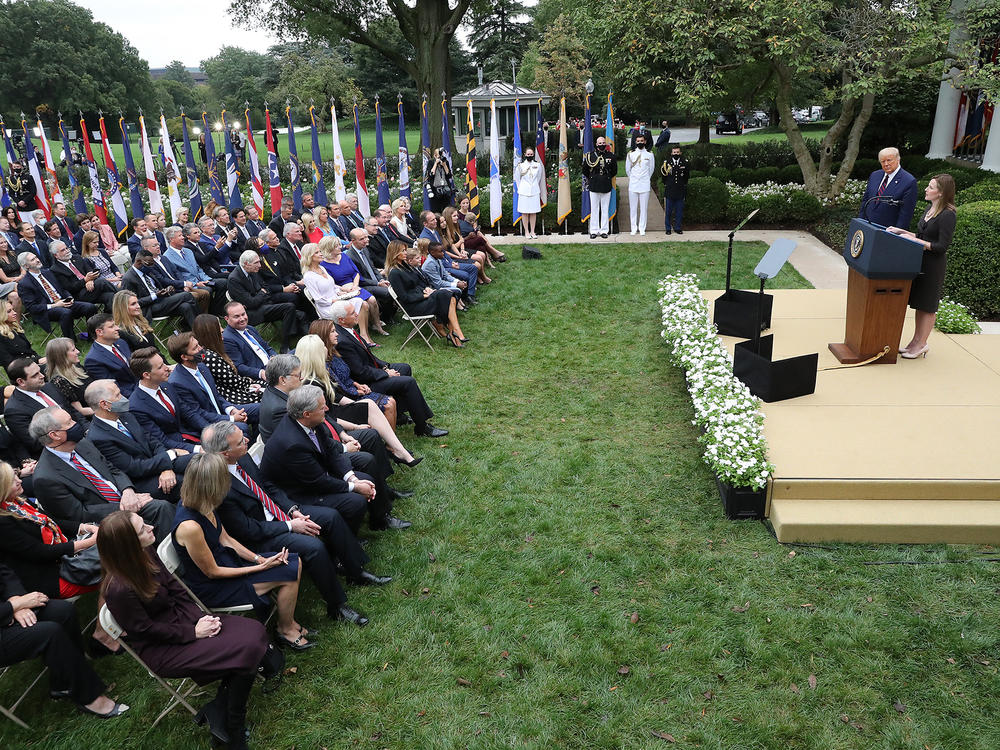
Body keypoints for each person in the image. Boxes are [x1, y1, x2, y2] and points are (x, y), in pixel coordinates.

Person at [98, 510, 267, 747]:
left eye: (145, 523)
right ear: (127, 545)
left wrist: (199, 620)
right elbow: (145, 631)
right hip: (162, 648)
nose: (151, 527)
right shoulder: (118, 590)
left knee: (254, 631)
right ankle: (232, 725)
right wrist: (193, 633)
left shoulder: (145, 553)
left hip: (185, 620)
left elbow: (176, 589)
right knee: (247, 649)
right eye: (141, 529)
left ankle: (218, 711)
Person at [203, 421, 382, 627]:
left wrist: (292, 511)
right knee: (314, 548)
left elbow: (267, 486)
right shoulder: (220, 486)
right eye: (240, 442)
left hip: (279, 514)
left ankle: (355, 571)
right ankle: (337, 606)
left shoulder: (241, 458)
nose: (247, 440)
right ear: (225, 454)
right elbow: (248, 530)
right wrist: (290, 526)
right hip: (262, 535)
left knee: (331, 517)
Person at [171, 453, 311, 645]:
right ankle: (285, 629)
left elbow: (226, 539)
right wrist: (260, 568)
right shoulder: (190, 527)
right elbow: (212, 572)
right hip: (215, 586)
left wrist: (258, 559)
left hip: (229, 563)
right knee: (289, 572)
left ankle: (287, 623)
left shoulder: (204, 502)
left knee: (293, 562)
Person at [259, 386, 407, 533]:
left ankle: (380, 519)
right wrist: (354, 487)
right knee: (356, 499)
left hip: (316, 474)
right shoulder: (292, 443)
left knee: (366, 476)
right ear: (307, 414)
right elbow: (318, 481)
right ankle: (347, 540)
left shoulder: (311, 422)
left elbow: (331, 452)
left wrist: (353, 479)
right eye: (322, 407)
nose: (327, 409)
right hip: (300, 491)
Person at [0, 556, 126, 718]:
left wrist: (15, 598)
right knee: (50, 633)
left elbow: (3, 571)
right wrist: (14, 606)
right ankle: (89, 697)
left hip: (8, 608)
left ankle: (64, 682)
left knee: (63, 612)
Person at [29, 406, 174, 539]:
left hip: (126, 497)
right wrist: (124, 506)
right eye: (69, 423)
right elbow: (79, 513)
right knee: (161, 509)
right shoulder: (46, 477)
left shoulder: (83, 444)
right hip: (105, 520)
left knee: (167, 503)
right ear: (55, 435)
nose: (76, 424)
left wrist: (128, 491)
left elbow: (112, 469)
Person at [330, 298, 448, 437]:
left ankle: (398, 415)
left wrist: (385, 367)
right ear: (341, 320)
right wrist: (385, 374)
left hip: (370, 372)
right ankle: (422, 426)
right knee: (408, 383)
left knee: (404, 368)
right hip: (364, 385)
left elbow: (370, 356)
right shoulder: (342, 341)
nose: (357, 314)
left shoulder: (348, 330)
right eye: (352, 313)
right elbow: (360, 372)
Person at [887, 174, 957, 359]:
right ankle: (914, 342)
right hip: (920, 262)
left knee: (928, 306)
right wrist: (902, 232)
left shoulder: (948, 214)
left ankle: (922, 344)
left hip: (933, 265)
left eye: (931, 187)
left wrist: (915, 241)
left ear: (941, 193)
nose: (926, 189)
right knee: (920, 304)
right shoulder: (929, 208)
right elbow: (921, 235)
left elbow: (941, 246)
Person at [84, 379, 189, 500]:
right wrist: (170, 454)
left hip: (158, 463)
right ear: (104, 404)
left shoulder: (125, 415)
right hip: (143, 480)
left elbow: (153, 441)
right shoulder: (98, 437)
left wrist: (166, 466)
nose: (124, 398)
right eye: (118, 395)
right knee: (190, 482)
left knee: (199, 462)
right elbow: (134, 468)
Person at [166, 332, 255, 435]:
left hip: (222, 412)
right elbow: (198, 413)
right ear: (184, 357)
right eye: (195, 348)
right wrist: (231, 418)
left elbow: (216, 395)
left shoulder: (202, 366)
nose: (201, 349)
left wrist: (231, 410)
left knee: (263, 409)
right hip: (209, 424)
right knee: (241, 428)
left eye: (198, 344)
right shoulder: (177, 383)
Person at [386, 243, 468, 347]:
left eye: (405, 250)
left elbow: (416, 285)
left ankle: (455, 333)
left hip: (421, 299)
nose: (405, 252)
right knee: (445, 294)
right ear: (395, 253)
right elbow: (404, 297)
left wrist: (426, 290)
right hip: (414, 306)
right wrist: (424, 296)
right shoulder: (394, 273)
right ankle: (455, 333)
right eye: (403, 251)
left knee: (449, 296)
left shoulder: (405, 267)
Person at [227, 250, 306, 354]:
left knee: (301, 314)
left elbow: (266, 288)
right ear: (246, 264)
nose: (260, 265)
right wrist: (261, 294)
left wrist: (260, 294)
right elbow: (251, 303)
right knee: (289, 307)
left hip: (263, 305)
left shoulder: (252, 272)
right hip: (252, 313)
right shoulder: (234, 279)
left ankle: (304, 340)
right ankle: (285, 345)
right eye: (256, 263)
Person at [128, 347, 201, 452]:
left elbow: (189, 413)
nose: (167, 367)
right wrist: (196, 449)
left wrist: (210, 429)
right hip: (179, 449)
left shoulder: (166, 385)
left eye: (163, 363)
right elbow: (162, 440)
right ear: (146, 375)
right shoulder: (136, 407)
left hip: (193, 434)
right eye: (160, 367)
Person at [4, 358, 79, 457]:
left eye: (39, 371)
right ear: (21, 381)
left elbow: (72, 411)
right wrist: (74, 436)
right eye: (35, 375)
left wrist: (87, 430)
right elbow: (35, 443)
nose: (42, 376)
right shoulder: (14, 411)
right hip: (61, 453)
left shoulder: (48, 387)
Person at [17, 251, 98, 339]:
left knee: (90, 307)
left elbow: (62, 289)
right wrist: (54, 305)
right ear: (26, 266)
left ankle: (93, 337)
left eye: (36, 257)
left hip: (63, 302)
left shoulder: (47, 272)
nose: (37, 260)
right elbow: (32, 308)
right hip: (47, 310)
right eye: (33, 260)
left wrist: (69, 297)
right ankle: (71, 344)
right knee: (65, 313)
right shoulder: (24, 284)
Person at [319, 236, 386, 340]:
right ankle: (364, 328)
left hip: (354, 286)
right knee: (364, 304)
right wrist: (345, 289)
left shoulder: (344, 257)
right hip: (341, 291)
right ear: (329, 248)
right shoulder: (323, 265)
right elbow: (331, 283)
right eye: (336, 246)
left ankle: (377, 325)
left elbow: (356, 272)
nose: (340, 247)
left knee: (372, 300)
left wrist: (355, 286)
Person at [192, 314, 265, 406]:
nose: (222, 330)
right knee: (272, 391)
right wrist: (249, 381)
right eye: (218, 327)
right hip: (233, 396)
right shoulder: (209, 357)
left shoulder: (210, 351)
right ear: (211, 333)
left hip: (238, 387)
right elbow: (231, 381)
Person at [121, 247, 199, 330]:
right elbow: (130, 303)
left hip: (162, 300)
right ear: (139, 262)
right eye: (149, 264)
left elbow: (158, 286)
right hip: (149, 308)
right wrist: (155, 296)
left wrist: (167, 289)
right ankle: (205, 325)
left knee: (186, 306)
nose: (152, 266)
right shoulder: (128, 279)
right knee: (186, 296)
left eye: (152, 263)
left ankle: (194, 332)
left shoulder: (147, 271)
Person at [301, 241, 366, 327]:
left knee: (362, 302)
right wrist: (334, 300)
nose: (321, 254)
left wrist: (341, 290)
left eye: (320, 251)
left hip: (337, 300)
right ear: (309, 256)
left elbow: (331, 285)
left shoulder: (322, 268)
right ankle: (353, 332)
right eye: (317, 252)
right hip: (327, 307)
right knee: (359, 304)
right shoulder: (308, 276)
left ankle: (363, 334)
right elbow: (318, 300)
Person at [345, 227, 396, 324]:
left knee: (394, 283)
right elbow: (359, 279)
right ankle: (386, 317)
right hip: (364, 285)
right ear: (353, 241)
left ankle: (388, 314)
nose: (365, 240)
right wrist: (377, 283)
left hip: (374, 281)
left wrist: (381, 280)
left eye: (365, 237)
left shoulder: (364, 250)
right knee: (388, 293)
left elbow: (372, 267)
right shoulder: (350, 256)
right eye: (361, 239)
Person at [859, 146, 918, 229]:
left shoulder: (908, 181)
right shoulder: (875, 175)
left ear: (898, 159)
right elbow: (865, 200)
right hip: (866, 227)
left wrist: (897, 234)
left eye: (889, 160)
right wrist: (860, 222)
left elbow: (906, 214)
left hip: (887, 231)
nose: (886, 164)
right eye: (883, 161)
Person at [82, 313, 137, 396]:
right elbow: (112, 389)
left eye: (115, 325)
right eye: (111, 327)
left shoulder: (121, 343)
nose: (117, 328)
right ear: (99, 332)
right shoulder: (93, 360)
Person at [222, 301, 277, 381]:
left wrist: (274, 357)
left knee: (300, 350)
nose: (242, 319)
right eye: (236, 316)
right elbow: (238, 366)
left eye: (243, 314)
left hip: (274, 365)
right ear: (227, 319)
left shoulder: (250, 329)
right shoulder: (227, 339)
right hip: (262, 374)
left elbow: (267, 348)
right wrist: (261, 373)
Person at [45, 337, 94, 419]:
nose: (78, 352)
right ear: (61, 356)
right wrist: (106, 410)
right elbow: (81, 410)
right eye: (73, 350)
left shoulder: (76, 367)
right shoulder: (60, 381)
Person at [582, 135, 617, 239]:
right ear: (596, 145)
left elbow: (614, 170)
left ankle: (604, 231)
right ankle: (594, 230)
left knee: (605, 209)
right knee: (594, 209)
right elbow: (585, 170)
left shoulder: (610, 155)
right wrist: (592, 177)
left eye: (603, 143)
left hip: (606, 185)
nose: (601, 145)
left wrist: (607, 177)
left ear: (605, 144)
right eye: (599, 143)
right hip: (594, 185)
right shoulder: (590, 156)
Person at [455, 196, 506, 262]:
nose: (466, 205)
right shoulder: (457, 215)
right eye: (463, 203)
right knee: (480, 238)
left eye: (467, 203)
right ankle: (493, 252)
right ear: (460, 204)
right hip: (465, 237)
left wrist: (475, 230)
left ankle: (488, 257)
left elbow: (475, 225)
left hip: (473, 233)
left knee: (481, 244)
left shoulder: (471, 213)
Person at [0, 295, 41, 371]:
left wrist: (40, 359)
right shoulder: (1, 336)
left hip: (33, 364)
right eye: (9, 311)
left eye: (13, 309)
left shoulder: (15, 328)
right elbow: (9, 362)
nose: (15, 313)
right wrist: (37, 360)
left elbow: (30, 351)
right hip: (21, 372)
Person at [625, 132, 655, 236]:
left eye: (642, 141)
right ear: (635, 142)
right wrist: (633, 179)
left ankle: (642, 228)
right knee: (633, 208)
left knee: (644, 208)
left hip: (645, 184)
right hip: (633, 184)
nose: (640, 143)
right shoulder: (631, 154)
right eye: (638, 141)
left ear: (645, 142)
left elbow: (651, 169)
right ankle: (633, 228)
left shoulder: (650, 155)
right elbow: (628, 170)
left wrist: (645, 178)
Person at [660, 145, 690, 235]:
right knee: (668, 211)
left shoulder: (684, 163)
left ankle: (678, 228)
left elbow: (686, 176)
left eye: (677, 152)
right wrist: (667, 184)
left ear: (680, 153)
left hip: (680, 190)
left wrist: (682, 185)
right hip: (670, 190)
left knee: (679, 211)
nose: (676, 154)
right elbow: (664, 177)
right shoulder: (666, 163)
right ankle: (668, 228)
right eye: (674, 152)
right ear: (671, 153)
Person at [514, 147, 543, 239]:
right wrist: (522, 188)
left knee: (533, 212)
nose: (530, 155)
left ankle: (533, 231)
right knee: (525, 212)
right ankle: (526, 231)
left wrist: (533, 186)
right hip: (524, 191)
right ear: (525, 155)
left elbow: (538, 177)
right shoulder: (520, 166)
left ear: (533, 155)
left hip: (534, 191)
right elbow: (517, 179)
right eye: (528, 154)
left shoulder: (538, 165)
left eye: (531, 154)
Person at [425, 148, 455, 212]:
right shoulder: (431, 162)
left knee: (447, 210)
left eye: (441, 156)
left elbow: (449, 175)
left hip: (445, 189)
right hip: (435, 190)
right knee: (436, 210)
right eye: (438, 157)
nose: (440, 158)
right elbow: (431, 175)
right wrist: (435, 164)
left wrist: (444, 166)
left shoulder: (445, 162)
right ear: (434, 156)